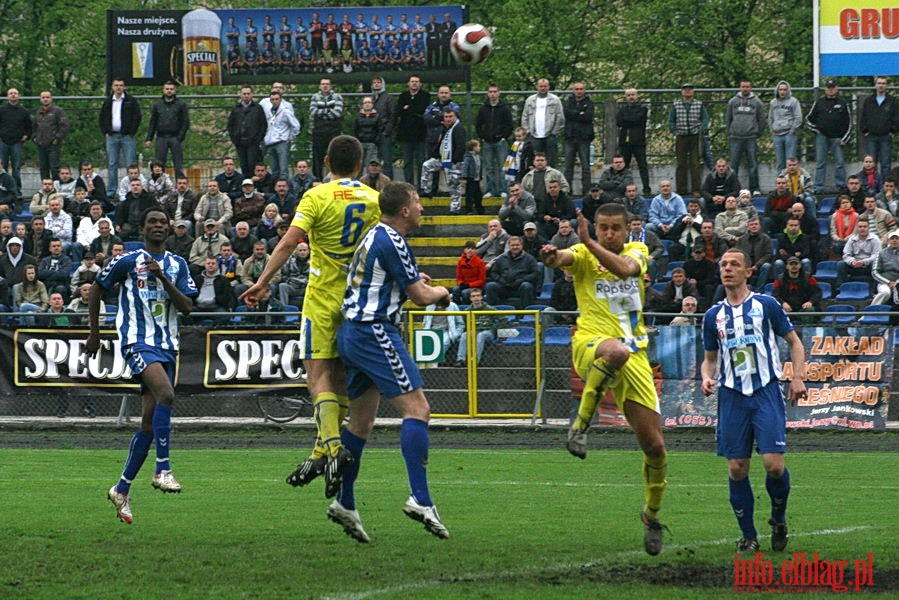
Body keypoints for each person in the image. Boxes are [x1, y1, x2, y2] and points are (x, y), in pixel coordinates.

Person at [241, 135, 380, 498]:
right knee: (342, 378)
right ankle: (320, 450)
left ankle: (333, 450)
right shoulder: (373, 199)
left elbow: (288, 242)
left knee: (317, 375)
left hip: (321, 299)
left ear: (326, 161)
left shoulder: (317, 196)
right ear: (359, 164)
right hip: (358, 300)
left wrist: (261, 281)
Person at [540, 202, 669, 556]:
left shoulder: (638, 251)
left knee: (655, 446)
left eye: (615, 228)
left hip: (636, 355)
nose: (608, 233)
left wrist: (588, 242)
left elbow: (626, 271)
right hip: (592, 344)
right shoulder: (582, 251)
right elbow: (562, 258)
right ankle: (579, 426)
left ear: (628, 229)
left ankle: (651, 515)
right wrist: (551, 255)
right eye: (602, 227)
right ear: (594, 227)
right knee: (616, 353)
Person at [330, 173, 452, 544]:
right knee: (418, 409)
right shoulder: (393, 239)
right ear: (404, 209)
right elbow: (419, 296)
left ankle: (344, 502)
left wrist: (414, 282)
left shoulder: (375, 235)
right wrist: (442, 291)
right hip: (374, 331)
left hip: (353, 332)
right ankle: (421, 498)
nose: (421, 208)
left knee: (360, 424)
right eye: (417, 203)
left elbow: (389, 281)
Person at [87, 208, 198, 524]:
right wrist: (95, 333)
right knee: (166, 394)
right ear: (144, 228)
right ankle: (163, 468)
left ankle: (121, 489)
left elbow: (188, 306)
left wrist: (162, 276)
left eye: (163, 222)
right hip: (137, 341)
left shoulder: (177, 265)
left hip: (167, 346)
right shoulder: (127, 260)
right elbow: (97, 287)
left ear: (169, 228)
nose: (159, 226)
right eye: (153, 222)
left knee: (149, 423)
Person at [701, 247, 806, 555]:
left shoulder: (766, 305)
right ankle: (748, 536)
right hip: (732, 396)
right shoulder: (713, 316)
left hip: (765, 391)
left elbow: (794, 342)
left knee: (773, 466)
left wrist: (797, 376)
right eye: (723, 264)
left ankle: (779, 518)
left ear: (748, 272)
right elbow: (709, 359)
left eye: (735, 264)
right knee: (737, 468)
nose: (728, 268)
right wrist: (707, 376)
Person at [805, 80, 852, 193]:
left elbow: (849, 122)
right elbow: (808, 119)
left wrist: (845, 138)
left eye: (833, 87)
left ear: (837, 89)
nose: (831, 90)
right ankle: (818, 187)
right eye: (828, 87)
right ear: (825, 89)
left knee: (840, 162)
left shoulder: (843, 103)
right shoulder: (819, 102)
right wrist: (815, 129)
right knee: (821, 162)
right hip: (822, 137)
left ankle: (840, 186)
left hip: (837, 138)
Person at [419, 107, 466, 213]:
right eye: (446, 116)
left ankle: (455, 208)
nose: (448, 119)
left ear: (455, 116)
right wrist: (435, 155)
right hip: (442, 159)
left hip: (454, 162)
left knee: (453, 185)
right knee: (427, 165)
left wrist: (453, 161)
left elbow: (461, 146)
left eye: (450, 116)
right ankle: (426, 190)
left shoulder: (458, 128)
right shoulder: (445, 128)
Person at [99, 79, 142, 191]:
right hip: (112, 136)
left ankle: (131, 189)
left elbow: (137, 117)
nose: (119, 87)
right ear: (113, 87)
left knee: (130, 164)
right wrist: (106, 132)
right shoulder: (108, 101)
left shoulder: (131, 101)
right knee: (112, 163)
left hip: (127, 136)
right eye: (116, 85)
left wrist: (132, 132)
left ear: (124, 87)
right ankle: (112, 190)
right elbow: (102, 118)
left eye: (121, 85)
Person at [668, 83, 709, 196]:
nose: (687, 91)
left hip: (695, 136)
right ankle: (681, 190)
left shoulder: (699, 104)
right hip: (681, 136)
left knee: (695, 164)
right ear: (682, 91)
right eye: (685, 89)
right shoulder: (676, 105)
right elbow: (671, 120)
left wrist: (702, 129)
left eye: (690, 89)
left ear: (693, 91)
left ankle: (696, 189)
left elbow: (705, 118)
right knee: (681, 164)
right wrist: (673, 130)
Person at [725, 81, 766, 195]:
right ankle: (733, 189)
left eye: (747, 87)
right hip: (735, 137)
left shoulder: (757, 102)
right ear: (740, 87)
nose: (745, 89)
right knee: (733, 165)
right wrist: (730, 131)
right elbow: (728, 118)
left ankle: (754, 188)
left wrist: (758, 132)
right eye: (743, 86)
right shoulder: (733, 101)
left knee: (753, 164)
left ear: (751, 88)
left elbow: (762, 119)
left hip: (751, 137)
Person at [144, 81, 190, 179]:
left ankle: (180, 188)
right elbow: (153, 122)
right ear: (163, 90)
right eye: (167, 89)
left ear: (175, 90)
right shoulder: (157, 105)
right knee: (159, 165)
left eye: (171, 89)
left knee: (178, 165)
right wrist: (149, 138)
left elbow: (185, 122)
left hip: (175, 137)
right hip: (161, 137)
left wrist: (180, 137)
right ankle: (159, 187)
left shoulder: (181, 105)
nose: (169, 91)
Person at [476, 83, 514, 198]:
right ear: (488, 94)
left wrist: (504, 136)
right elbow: (478, 124)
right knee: (489, 167)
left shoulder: (504, 108)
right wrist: (482, 136)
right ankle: (490, 190)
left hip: (501, 142)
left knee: (503, 166)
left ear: (499, 93)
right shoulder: (483, 109)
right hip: (487, 142)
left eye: (494, 92)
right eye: (490, 92)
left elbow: (509, 125)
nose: (492, 94)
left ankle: (504, 190)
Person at [452, 287, 504, 367]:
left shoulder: (489, 309)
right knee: (465, 335)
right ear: (470, 298)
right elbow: (464, 324)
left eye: (478, 295)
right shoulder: (467, 311)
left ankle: (475, 361)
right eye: (473, 296)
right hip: (474, 331)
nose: (476, 298)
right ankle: (460, 360)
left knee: (481, 335)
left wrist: (493, 328)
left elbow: (503, 319)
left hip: (487, 332)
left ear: (481, 297)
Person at [395, 75, 430, 187]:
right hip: (405, 134)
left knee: (421, 162)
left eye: (416, 81)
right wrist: (412, 110)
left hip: (420, 134)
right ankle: (408, 185)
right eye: (412, 81)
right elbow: (399, 111)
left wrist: (408, 108)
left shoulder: (425, 96)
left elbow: (422, 109)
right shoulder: (403, 96)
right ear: (408, 83)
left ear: (420, 84)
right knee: (407, 162)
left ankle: (421, 185)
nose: (414, 83)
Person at [858, 76, 897, 181]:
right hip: (871, 136)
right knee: (871, 163)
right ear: (875, 85)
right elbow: (863, 116)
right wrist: (865, 130)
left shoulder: (892, 101)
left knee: (886, 163)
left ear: (886, 85)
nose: (881, 85)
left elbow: (896, 117)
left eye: (883, 83)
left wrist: (893, 130)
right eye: (879, 83)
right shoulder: (869, 100)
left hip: (885, 136)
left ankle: (885, 185)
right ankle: (871, 184)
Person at [485, 236, 540, 308]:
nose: (515, 247)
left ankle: (527, 313)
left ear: (522, 246)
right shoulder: (501, 258)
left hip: (520, 287)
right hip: (504, 286)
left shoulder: (529, 259)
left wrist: (522, 280)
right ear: (509, 246)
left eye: (517, 245)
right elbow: (493, 272)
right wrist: (500, 280)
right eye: (513, 245)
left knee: (527, 286)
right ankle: (493, 313)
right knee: (490, 286)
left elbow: (536, 273)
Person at [521, 78, 565, 168]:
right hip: (534, 135)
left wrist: (554, 132)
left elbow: (560, 118)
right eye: (541, 86)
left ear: (548, 87)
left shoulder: (555, 100)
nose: (543, 88)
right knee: (534, 162)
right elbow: (525, 116)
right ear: (537, 87)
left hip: (550, 136)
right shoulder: (530, 100)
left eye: (545, 86)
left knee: (551, 162)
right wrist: (528, 131)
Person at [617, 88, 652, 196]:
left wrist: (627, 120)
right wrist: (629, 120)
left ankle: (646, 189)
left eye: (633, 95)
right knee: (624, 166)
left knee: (642, 166)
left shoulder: (642, 108)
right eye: (629, 95)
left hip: (638, 141)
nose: (631, 97)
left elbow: (639, 120)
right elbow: (618, 122)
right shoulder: (622, 108)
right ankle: (623, 190)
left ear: (637, 96)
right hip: (625, 142)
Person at [563, 82, 595, 195]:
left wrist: (576, 114)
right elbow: (567, 114)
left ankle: (586, 190)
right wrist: (580, 113)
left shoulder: (589, 102)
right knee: (568, 166)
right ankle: (567, 190)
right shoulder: (568, 102)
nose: (579, 91)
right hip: (570, 137)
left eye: (581, 89)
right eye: (576, 89)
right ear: (573, 90)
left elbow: (588, 116)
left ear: (584, 90)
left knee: (586, 166)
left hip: (584, 137)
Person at [227, 86, 267, 177]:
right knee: (243, 165)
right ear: (240, 95)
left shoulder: (257, 108)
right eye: (244, 94)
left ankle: (254, 185)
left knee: (252, 164)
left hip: (253, 142)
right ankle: (246, 185)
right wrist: (234, 139)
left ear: (252, 95)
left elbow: (263, 125)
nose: (246, 96)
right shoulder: (236, 109)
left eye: (248, 94)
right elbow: (230, 125)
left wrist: (258, 139)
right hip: (240, 142)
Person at [0, 88, 33, 197]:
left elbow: (29, 126)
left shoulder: (24, 111)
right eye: (11, 93)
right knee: (2, 168)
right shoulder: (2, 110)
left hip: (17, 143)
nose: (13, 95)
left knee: (16, 168)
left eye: (15, 93)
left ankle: (16, 191)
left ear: (18, 96)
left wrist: (26, 136)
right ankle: (3, 190)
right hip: (3, 142)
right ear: (7, 96)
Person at [309, 78, 344, 179]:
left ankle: (336, 178)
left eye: (327, 84)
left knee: (334, 156)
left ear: (331, 86)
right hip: (319, 131)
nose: (325, 86)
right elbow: (313, 112)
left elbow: (337, 113)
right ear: (320, 86)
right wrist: (329, 109)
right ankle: (317, 180)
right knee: (317, 158)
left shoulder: (337, 97)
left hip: (333, 131)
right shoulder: (315, 96)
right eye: (323, 84)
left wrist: (321, 111)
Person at [772, 257, 822, 325]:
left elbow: (818, 293)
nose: (794, 266)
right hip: (786, 310)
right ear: (787, 266)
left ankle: (807, 332)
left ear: (800, 266)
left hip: (803, 309)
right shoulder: (779, 280)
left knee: (810, 310)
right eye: (791, 264)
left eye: (796, 264)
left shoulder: (809, 278)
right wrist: (782, 303)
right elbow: (775, 295)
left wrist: (810, 302)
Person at [263, 91, 301, 181]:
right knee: (274, 169)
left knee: (283, 169)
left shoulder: (285, 111)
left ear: (280, 100)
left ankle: (285, 189)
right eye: (272, 99)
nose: (274, 101)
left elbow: (296, 125)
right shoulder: (269, 111)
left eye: (276, 99)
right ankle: (275, 189)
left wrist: (290, 137)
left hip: (282, 142)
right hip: (270, 142)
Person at [32, 90, 70, 181]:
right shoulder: (38, 112)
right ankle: (45, 187)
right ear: (40, 99)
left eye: (47, 97)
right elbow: (33, 126)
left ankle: (56, 187)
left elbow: (65, 125)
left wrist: (57, 138)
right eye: (43, 97)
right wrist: (34, 137)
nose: (45, 99)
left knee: (54, 167)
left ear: (51, 99)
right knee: (43, 167)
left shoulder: (58, 111)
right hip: (41, 144)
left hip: (53, 144)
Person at [768, 81, 803, 173]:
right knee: (779, 161)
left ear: (788, 90)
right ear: (777, 90)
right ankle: (780, 183)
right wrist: (771, 129)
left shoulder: (793, 101)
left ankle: (791, 184)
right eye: (780, 89)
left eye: (784, 89)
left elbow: (798, 117)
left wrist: (793, 130)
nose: (782, 92)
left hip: (789, 134)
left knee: (791, 162)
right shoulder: (773, 102)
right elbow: (770, 117)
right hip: (777, 135)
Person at [872, 230, 899, 305]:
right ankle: (870, 313)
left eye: (897, 238)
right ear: (888, 241)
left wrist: (896, 283)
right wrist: (888, 282)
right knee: (885, 292)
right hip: (884, 282)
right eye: (892, 238)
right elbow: (875, 272)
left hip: (898, 282)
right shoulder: (880, 253)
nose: (894, 240)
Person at [461, 140, 483, 214]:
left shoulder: (479, 157)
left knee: (478, 195)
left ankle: (479, 209)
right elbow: (465, 167)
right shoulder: (468, 157)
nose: (480, 148)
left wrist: (480, 176)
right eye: (478, 146)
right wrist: (464, 177)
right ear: (474, 147)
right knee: (469, 195)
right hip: (470, 178)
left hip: (476, 179)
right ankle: (469, 209)